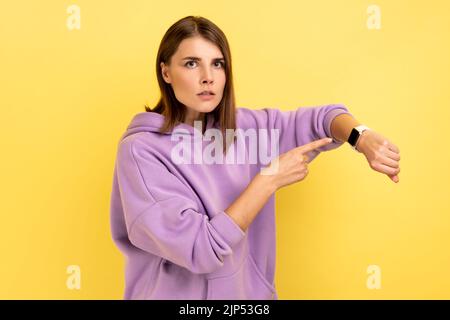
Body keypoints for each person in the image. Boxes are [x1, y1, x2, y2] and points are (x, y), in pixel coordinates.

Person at [109, 15, 401, 300]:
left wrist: (360, 136)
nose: (207, 77)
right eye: (191, 63)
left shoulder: (245, 129)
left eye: (217, 64)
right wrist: (269, 179)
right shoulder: (141, 151)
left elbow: (323, 118)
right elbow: (200, 249)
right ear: (166, 72)